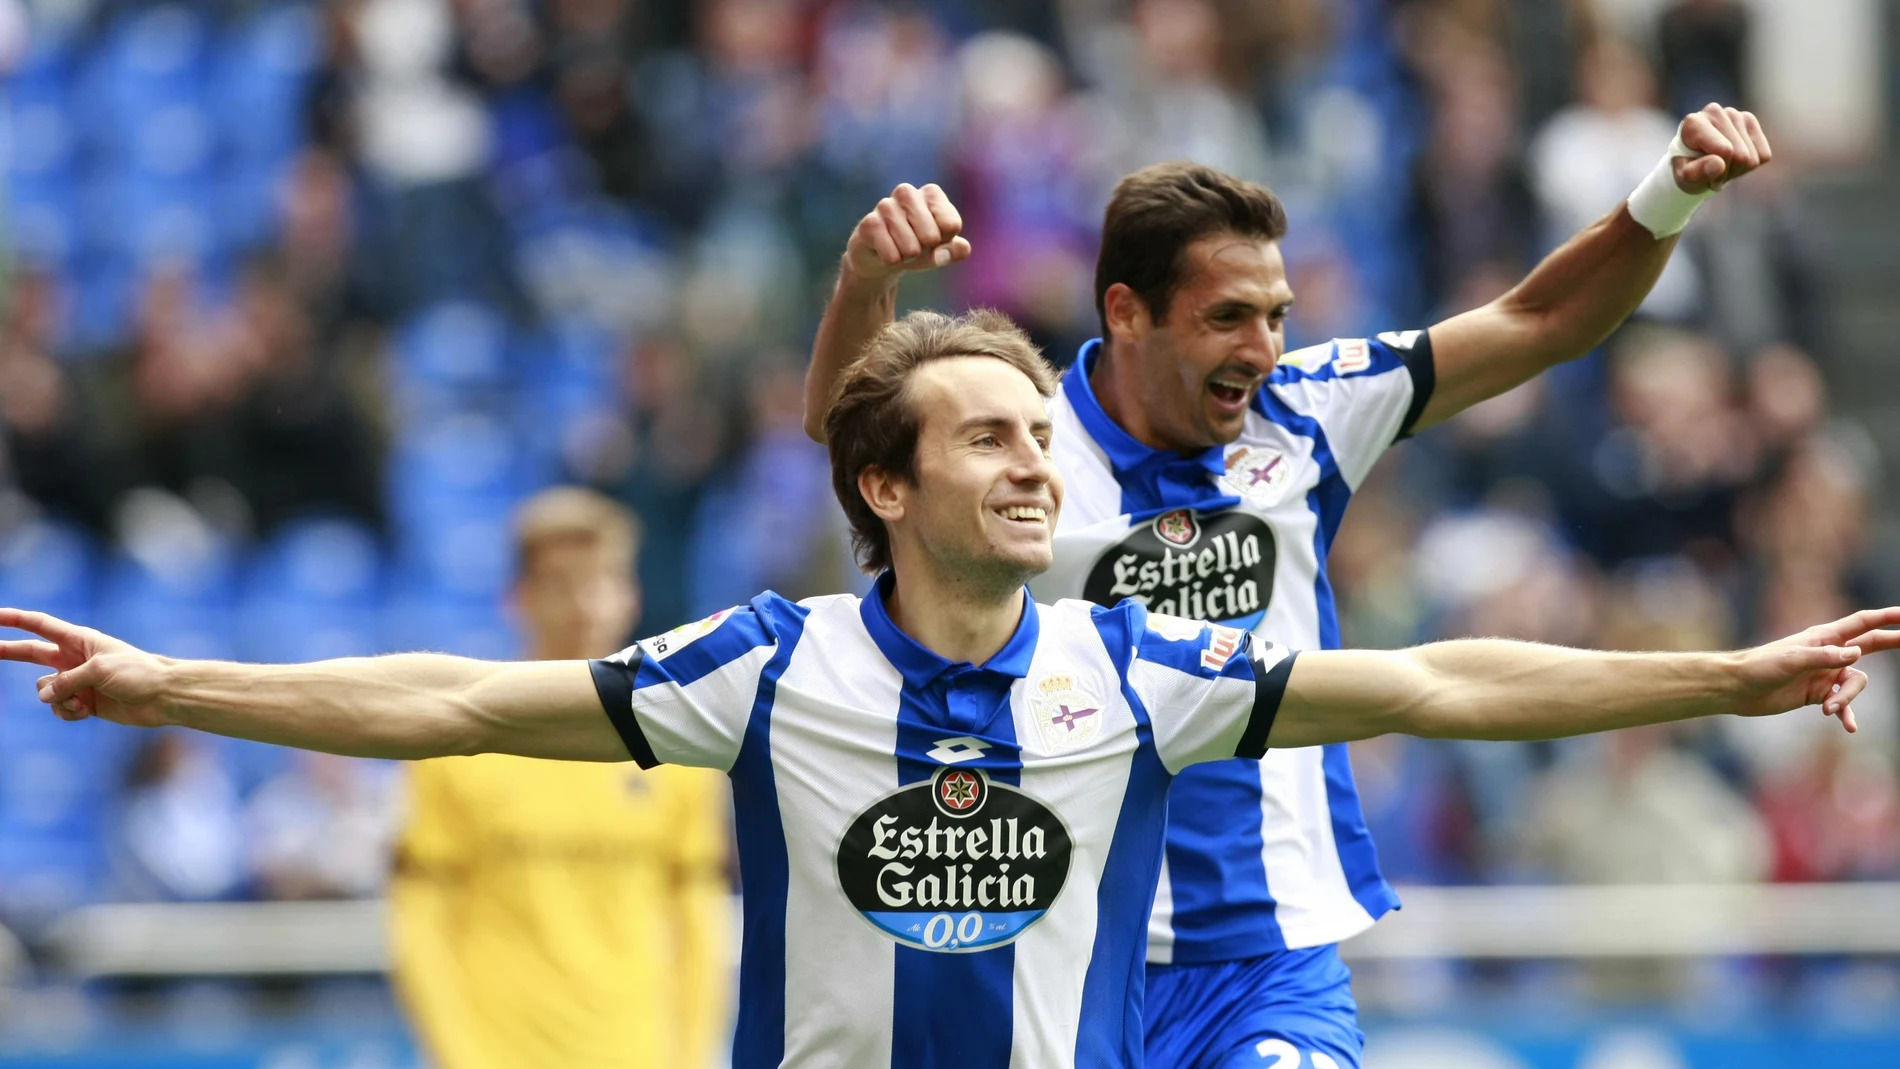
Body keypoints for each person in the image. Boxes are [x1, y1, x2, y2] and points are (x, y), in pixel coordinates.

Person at [4, 309, 1887, 1069]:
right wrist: (175, 676)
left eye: (1034, 431)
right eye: (983, 433)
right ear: (883, 489)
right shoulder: (766, 668)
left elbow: (1437, 681)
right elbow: (456, 700)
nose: (1034, 458)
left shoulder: (1137, 665)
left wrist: (1727, 671)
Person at [800, 104, 1776, 1068]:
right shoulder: (1028, 453)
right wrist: (866, 285)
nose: (1263, 350)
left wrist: (1663, 199)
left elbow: (1539, 319)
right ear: (1125, 312)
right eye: (1227, 317)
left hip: (1269, 962)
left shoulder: (1306, 415)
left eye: (1276, 317)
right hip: (1068, 959)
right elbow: (856, 436)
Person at [388, 488, 731, 1069]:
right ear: (518, 597)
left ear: (631, 594)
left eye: (604, 580)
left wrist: (692, 1053)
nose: (585, 603)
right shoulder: (459, 744)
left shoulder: (677, 748)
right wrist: (458, 1055)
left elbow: (698, 917)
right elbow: (420, 918)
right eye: (561, 582)